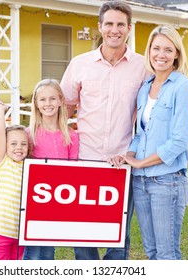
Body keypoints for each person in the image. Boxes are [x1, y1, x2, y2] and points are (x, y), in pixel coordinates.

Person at [60, 0, 148, 260]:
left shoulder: (143, 66)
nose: (114, 29)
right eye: (109, 23)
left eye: (121, 24)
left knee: (118, 234)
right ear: (100, 27)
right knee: (83, 232)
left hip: (122, 161)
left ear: (129, 28)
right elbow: (64, 108)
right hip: (84, 159)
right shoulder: (80, 64)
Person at [110, 24, 188, 260]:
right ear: (149, 51)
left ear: (177, 54)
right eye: (156, 48)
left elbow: (179, 140)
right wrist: (128, 156)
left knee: (167, 254)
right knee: (152, 252)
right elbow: (141, 134)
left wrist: (141, 163)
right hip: (141, 183)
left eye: (168, 49)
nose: (161, 54)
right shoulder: (145, 87)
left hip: (167, 181)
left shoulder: (183, 87)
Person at [23, 79, 79, 260]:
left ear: (62, 101)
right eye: (43, 100)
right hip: (34, 199)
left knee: (48, 250)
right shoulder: (29, 134)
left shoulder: (71, 136)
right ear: (36, 104)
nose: (48, 104)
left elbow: (73, 171)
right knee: (32, 250)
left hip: (57, 199)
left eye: (53, 99)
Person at [0, 101, 30, 260]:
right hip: (0, 230)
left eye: (23, 144)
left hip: (20, 233)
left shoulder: (29, 167)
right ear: (5, 146)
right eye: (13, 143)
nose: (19, 147)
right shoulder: (3, 162)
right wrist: (1, 111)